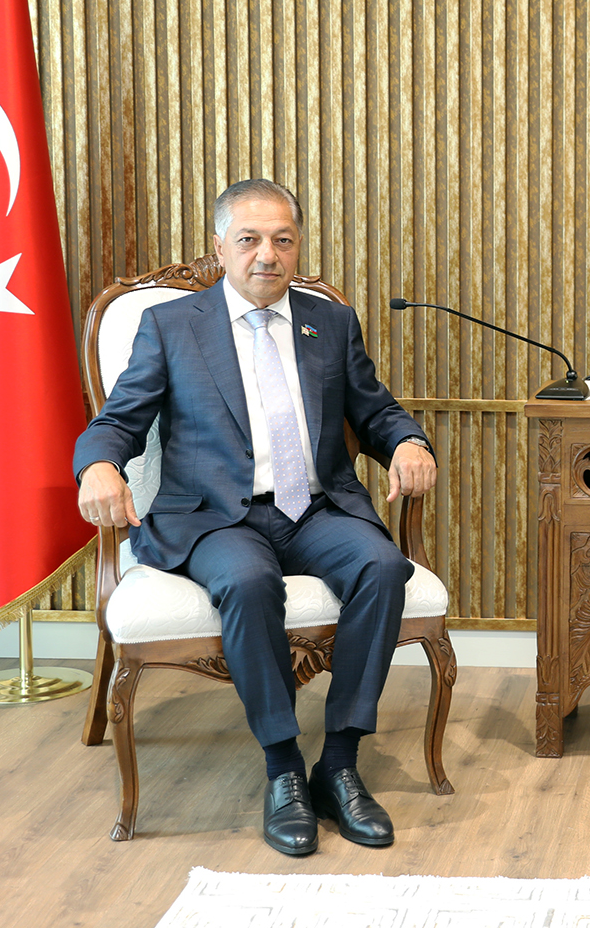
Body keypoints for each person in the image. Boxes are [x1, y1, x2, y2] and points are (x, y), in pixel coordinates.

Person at [75, 179, 438, 856]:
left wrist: (409, 443)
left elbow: (377, 409)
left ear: (297, 247)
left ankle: (339, 764)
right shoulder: (173, 326)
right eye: (249, 239)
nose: (266, 254)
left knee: (384, 566)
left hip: (316, 509)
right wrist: (98, 465)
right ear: (220, 248)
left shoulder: (329, 323)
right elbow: (117, 420)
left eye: (282, 239)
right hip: (216, 518)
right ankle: (283, 769)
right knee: (247, 582)